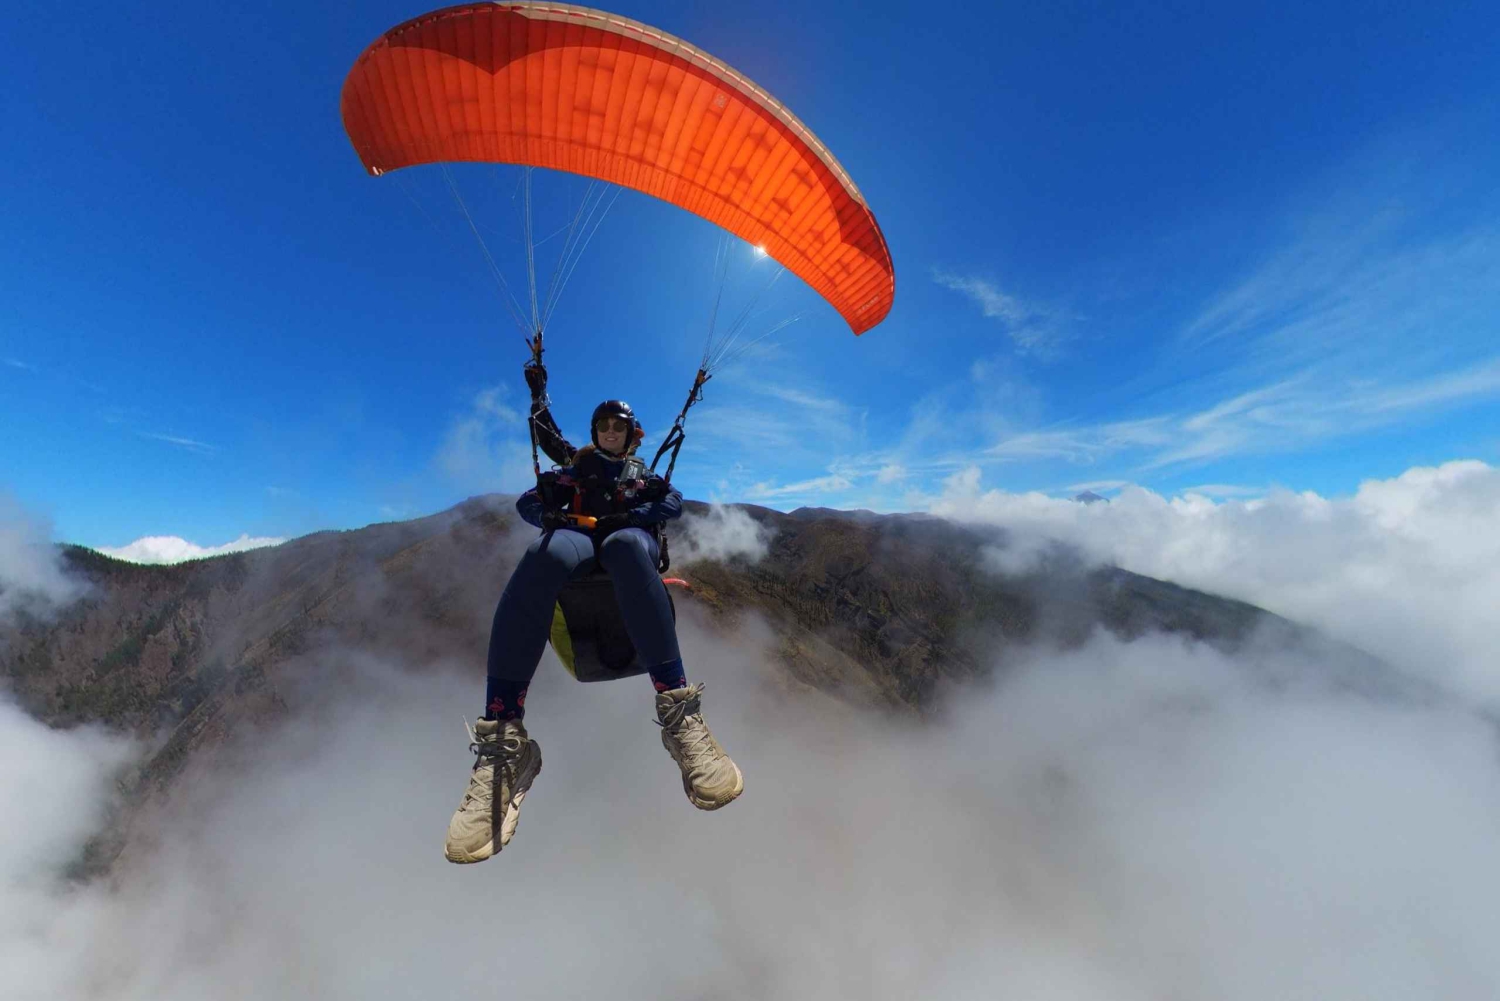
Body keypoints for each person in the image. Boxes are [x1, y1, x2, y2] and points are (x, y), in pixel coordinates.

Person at [444, 399, 744, 864]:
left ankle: (681, 714)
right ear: (595, 431)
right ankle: (504, 742)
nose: (609, 432)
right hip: (581, 538)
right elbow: (529, 501)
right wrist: (549, 515)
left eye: (617, 426)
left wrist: (633, 516)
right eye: (603, 425)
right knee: (543, 555)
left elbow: (672, 502)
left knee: (624, 547)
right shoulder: (576, 471)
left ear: (630, 434)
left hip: (628, 538)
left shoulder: (641, 476)